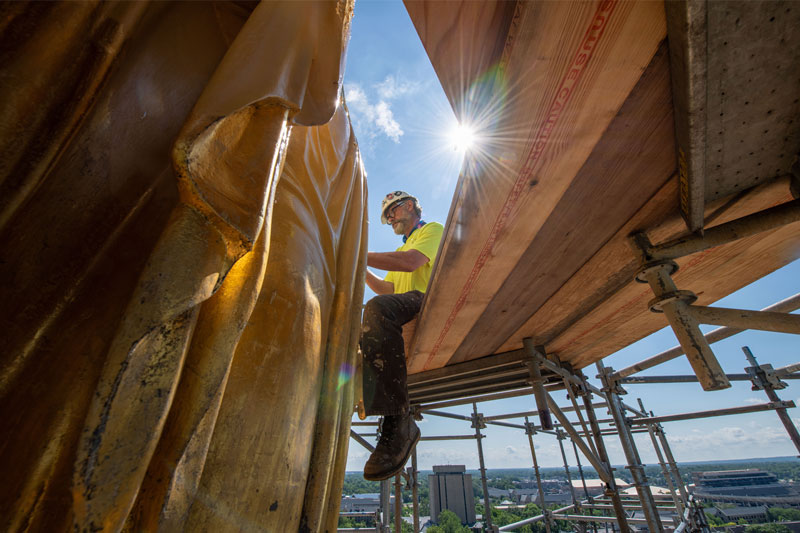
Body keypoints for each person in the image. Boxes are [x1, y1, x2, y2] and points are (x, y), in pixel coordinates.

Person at [361, 191, 444, 481]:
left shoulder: (431, 230)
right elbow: (386, 291)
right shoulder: (402, 249)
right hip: (404, 304)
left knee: (377, 310)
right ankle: (387, 413)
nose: (390, 219)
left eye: (392, 212)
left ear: (409, 205)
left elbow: (411, 263)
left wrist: (356, 252)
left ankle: (397, 419)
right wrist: (359, 269)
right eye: (387, 217)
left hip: (428, 300)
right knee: (372, 313)